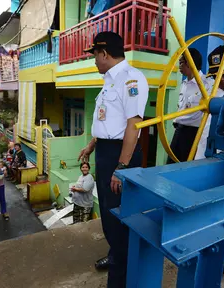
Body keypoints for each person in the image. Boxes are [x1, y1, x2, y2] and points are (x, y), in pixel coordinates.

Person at [78, 31, 149, 287]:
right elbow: (109, 121)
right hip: (106, 152)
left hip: (121, 155)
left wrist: (122, 166)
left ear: (105, 53)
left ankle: (120, 277)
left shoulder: (131, 79)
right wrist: (91, 145)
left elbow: (133, 125)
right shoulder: (110, 80)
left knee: (119, 219)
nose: (94, 60)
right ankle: (116, 255)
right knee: (109, 215)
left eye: (95, 55)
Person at [167, 48, 213, 163]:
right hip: (179, 130)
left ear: (190, 63)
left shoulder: (207, 84)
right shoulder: (184, 84)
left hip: (193, 134)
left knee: (186, 165)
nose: (179, 66)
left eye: (181, 62)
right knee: (172, 163)